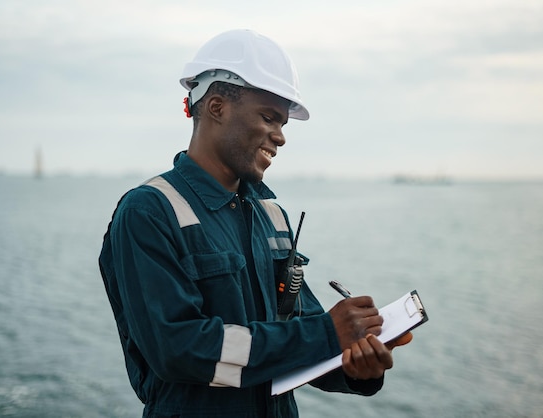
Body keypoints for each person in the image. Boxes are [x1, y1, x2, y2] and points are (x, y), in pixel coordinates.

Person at [99, 29, 411, 418]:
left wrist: (354, 361)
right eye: (269, 118)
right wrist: (325, 334)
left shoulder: (272, 216)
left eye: (283, 124)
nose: (280, 137)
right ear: (216, 107)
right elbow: (178, 349)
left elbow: (300, 338)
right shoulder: (149, 212)